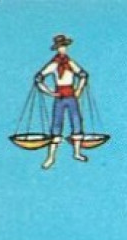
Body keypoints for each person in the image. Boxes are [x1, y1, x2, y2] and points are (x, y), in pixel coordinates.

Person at [36, 34, 89, 169]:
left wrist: (79, 90)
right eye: (60, 47)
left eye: (64, 46)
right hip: (59, 97)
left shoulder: (70, 63)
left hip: (72, 97)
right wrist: (49, 92)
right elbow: (38, 78)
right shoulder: (54, 64)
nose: (63, 49)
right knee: (56, 126)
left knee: (76, 123)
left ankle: (77, 153)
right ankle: (51, 157)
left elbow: (83, 75)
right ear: (57, 48)